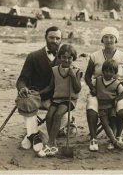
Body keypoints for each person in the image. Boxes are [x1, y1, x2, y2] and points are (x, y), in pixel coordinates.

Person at [16, 26, 69, 156]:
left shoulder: (65, 59)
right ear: (45, 38)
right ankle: (35, 136)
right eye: (51, 37)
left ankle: (33, 134)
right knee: (26, 101)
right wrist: (22, 88)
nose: (54, 41)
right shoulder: (33, 56)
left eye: (58, 38)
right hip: (36, 96)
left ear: (61, 40)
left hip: (55, 99)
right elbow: (21, 80)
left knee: (64, 117)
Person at [85, 26, 123, 151]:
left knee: (121, 111)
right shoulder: (95, 56)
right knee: (91, 108)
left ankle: (117, 137)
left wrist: (121, 90)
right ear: (102, 39)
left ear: (116, 39)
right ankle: (93, 138)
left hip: (118, 91)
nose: (109, 40)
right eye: (106, 37)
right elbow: (87, 76)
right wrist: (92, 88)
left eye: (111, 37)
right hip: (98, 89)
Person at [39, 44, 82, 157]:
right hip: (57, 98)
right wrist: (38, 93)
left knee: (58, 115)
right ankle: (53, 144)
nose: (66, 60)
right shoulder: (55, 70)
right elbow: (50, 87)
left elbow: (78, 89)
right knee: (49, 116)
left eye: (69, 58)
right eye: (63, 57)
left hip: (70, 99)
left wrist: (72, 76)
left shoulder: (76, 71)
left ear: (73, 58)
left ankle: (49, 144)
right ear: (59, 57)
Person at [95, 59, 123, 150]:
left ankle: (112, 142)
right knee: (105, 123)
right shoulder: (98, 80)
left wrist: (116, 100)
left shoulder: (116, 83)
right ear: (103, 71)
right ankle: (114, 141)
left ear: (115, 73)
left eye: (111, 72)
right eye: (106, 71)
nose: (108, 73)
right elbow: (92, 86)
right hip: (101, 107)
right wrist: (93, 90)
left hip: (111, 106)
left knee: (113, 122)